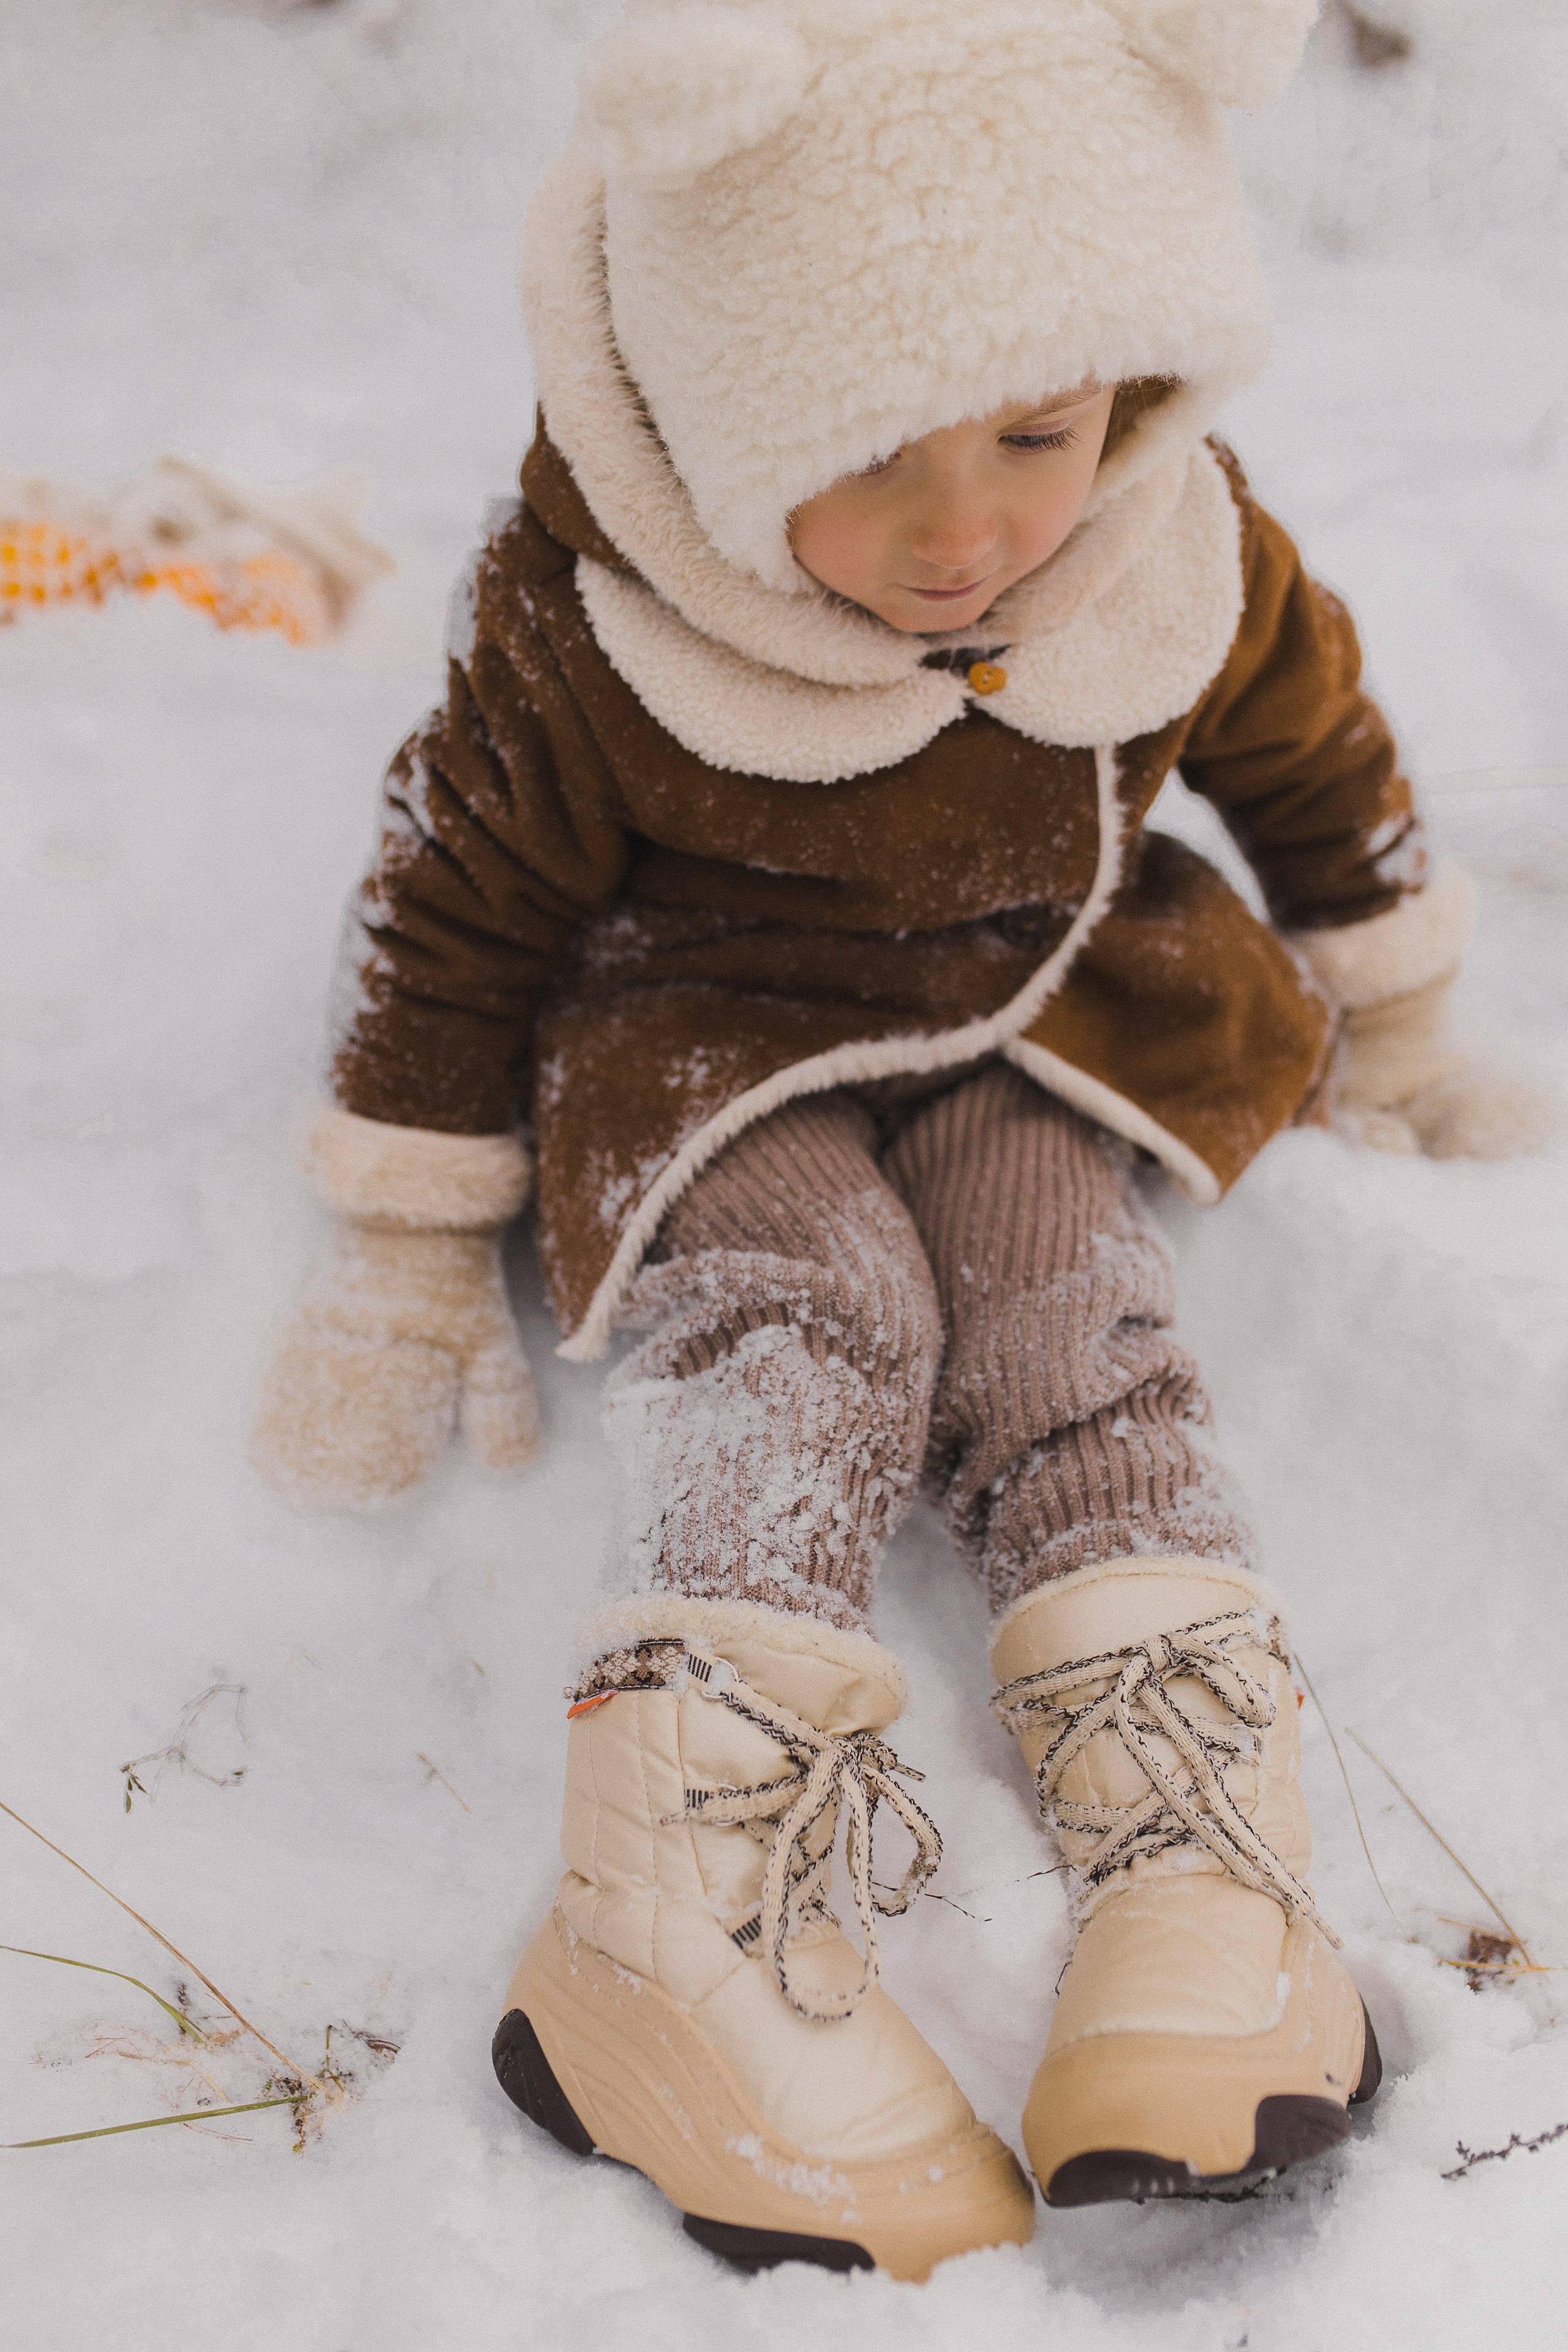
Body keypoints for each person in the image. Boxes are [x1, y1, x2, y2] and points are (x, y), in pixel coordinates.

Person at [252, 0, 1556, 2280]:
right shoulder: (592, 619)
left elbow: (1313, 751)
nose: (964, 535)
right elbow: (450, 910)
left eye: (1035, 435)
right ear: (725, 411)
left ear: (1131, 384)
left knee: (1072, 1314)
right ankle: (662, 1914)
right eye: (867, 459)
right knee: (818, 1317)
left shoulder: (1172, 538)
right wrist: (400, 1253)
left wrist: (1411, 1015)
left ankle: (1189, 1870)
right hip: (708, 1032)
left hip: (1051, 1001)